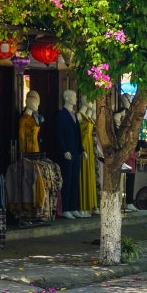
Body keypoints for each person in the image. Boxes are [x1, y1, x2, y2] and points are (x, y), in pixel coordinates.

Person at [56, 89, 84, 219]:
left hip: (75, 152)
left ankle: (73, 206)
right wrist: (64, 150)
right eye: (73, 96)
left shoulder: (74, 115)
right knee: (67, 180)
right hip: (67, 152)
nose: (76, 99)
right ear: (66, 98)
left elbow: (78, 135)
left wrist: (82, 149)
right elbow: (59, 134)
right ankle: (65, 208)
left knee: (75, 180)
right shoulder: (62, 115)